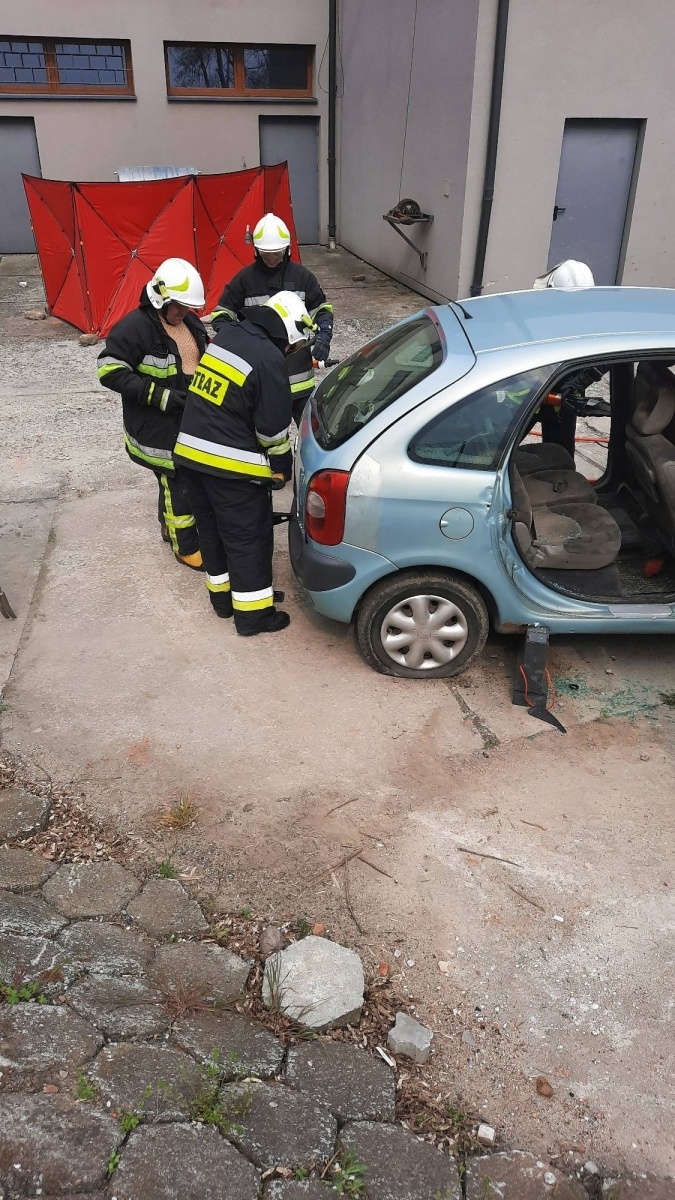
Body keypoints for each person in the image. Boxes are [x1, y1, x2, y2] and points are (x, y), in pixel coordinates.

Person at [173, 290, 317, 637]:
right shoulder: (269, 359)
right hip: (230, 467)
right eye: (293, 346)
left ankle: (225, 602)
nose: (290, 352)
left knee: (213, 533)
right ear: (287, 333)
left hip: (190, 456)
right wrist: (281, 465)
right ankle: (254, 615)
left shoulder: (231, 335)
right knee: (247, 539)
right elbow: (271, 430)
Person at [97, 258, 209, 569]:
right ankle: (185, 546)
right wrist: (159, 396)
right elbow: (108, 370)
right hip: (156, 427)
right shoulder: (134, 329)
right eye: (178, 306)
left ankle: (167, 527)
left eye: (187, 307)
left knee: (173, 479)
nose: (183, 313)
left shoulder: (191, 323)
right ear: (160, 299)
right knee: (179, 482)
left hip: (186, 419)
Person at [210, 212, 333, 475]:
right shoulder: (244, 280)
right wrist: (236, 337)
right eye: (267, 254)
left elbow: (322, 309)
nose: (272, 259)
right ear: (256, 251)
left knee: (311, 428)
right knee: (266, 430)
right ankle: (274, 471)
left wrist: (324, 336)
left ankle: (314, 470)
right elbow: (221, 315)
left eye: (277, 254)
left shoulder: (302, 278)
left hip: (299, 374)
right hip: (262, 376)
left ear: (287, 250)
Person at [531, 259, 599, 458]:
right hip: (531, 393)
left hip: (566, 395)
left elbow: (610, 351)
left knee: (560, 452)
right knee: (503, 452)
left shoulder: (590, 312)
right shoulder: (538, 311)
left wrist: (581, 379)